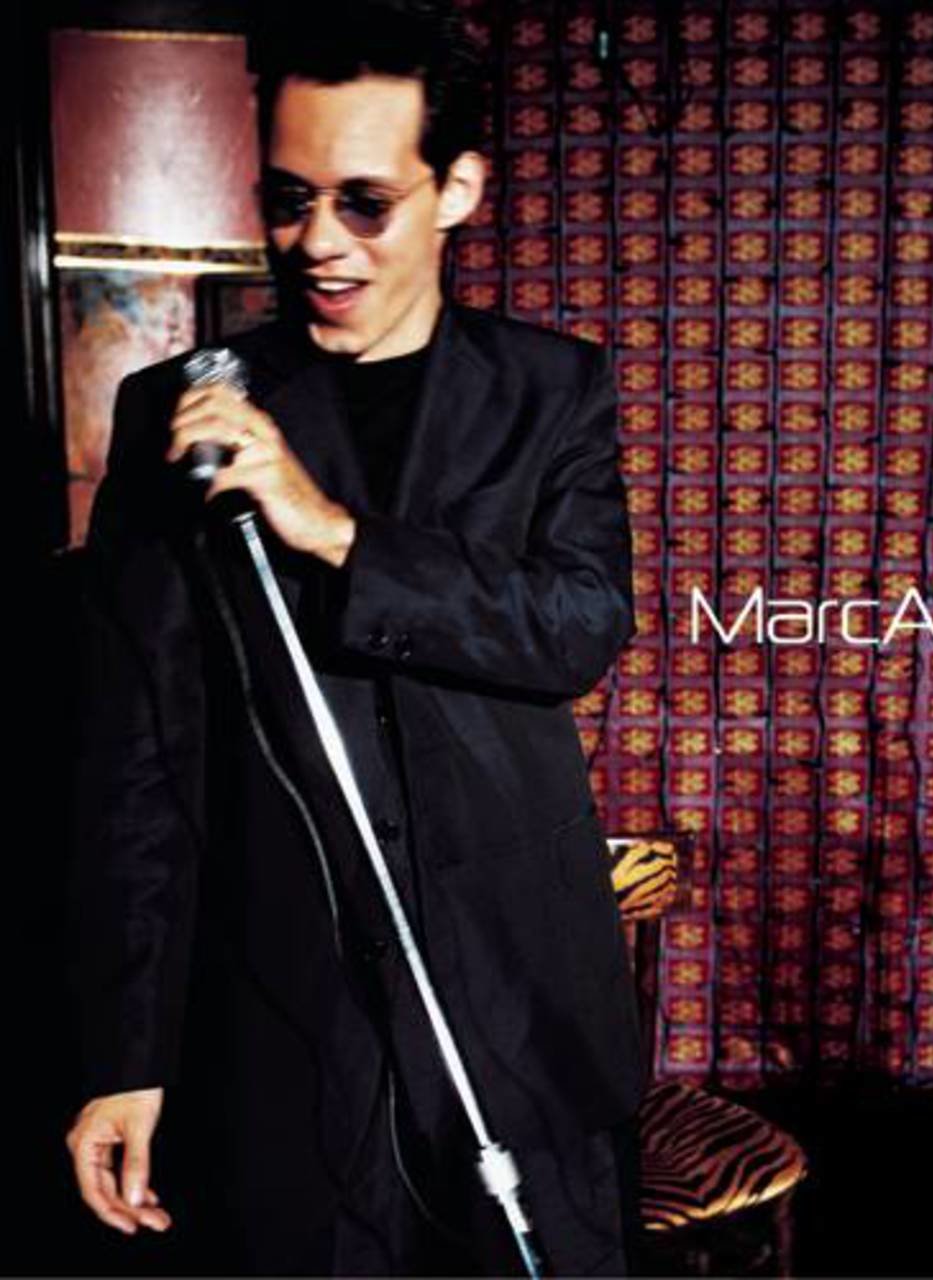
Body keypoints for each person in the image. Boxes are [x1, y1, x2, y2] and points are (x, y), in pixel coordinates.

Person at [63, 3, 647, 1273]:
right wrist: (124, 1054)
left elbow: (577, 625)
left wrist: (330, 530)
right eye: (290, 199)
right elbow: (141, 756)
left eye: (365, 203)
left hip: (524, 1012)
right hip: (284, 1027)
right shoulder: (178, 412)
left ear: (457, 190)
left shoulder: (552, 389)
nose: (317, 241)